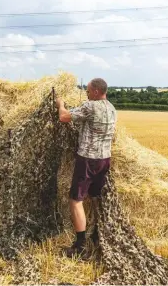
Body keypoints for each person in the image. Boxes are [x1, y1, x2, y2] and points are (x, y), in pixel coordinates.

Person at [56, 78, 117, 259]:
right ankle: (98, 236)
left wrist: (60, 104)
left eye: (89, 91)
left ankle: (80, 245)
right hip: (105, 159)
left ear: (96, 92)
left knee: (76, 200)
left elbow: (64, 117)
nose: (87, 94)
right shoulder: (112, 109)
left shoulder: (91, 106)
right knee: (96, 198)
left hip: (88, 159)